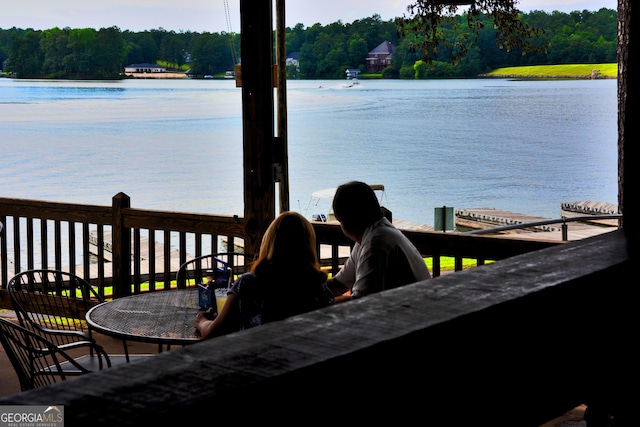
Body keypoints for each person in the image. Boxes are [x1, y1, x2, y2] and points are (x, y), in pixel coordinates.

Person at [194, 211, 334, 339]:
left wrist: (202, 322)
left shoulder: (248, 284)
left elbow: (214, 332)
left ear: (268, 242)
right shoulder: (316, 285)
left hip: (257, 362)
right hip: (303, 359)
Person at [327, 180, 431, 301]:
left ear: (344, 222)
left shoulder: (376, 246)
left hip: (413, 316)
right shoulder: (372, 236)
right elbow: (338, 284)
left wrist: (315, 306)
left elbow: (359, 303)